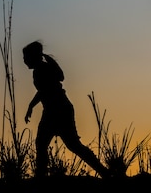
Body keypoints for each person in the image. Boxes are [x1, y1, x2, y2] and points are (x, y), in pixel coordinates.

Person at [23, 41, 110, 178]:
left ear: (32, 57)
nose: (24, 60)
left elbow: (44, 90)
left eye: (25, 57)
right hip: (61, 108)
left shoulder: (40, 71)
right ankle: (104, 172)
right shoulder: (44, 68)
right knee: (71, 145)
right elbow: (47, 87)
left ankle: (40, 177)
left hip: (55, 111)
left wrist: (31, 106)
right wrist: (31, 106)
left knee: (44, 144)